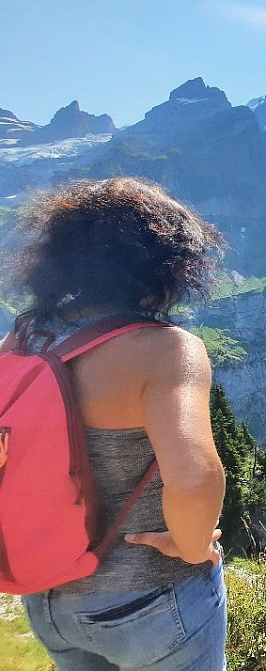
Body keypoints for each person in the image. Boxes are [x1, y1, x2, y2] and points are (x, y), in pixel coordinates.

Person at [2, 177, 228, 670]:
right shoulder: (164, 350)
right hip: (147, 600)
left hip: (46, 594)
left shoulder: (26, 336)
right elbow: (195, 479)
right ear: (167, 265)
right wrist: (190, 547)